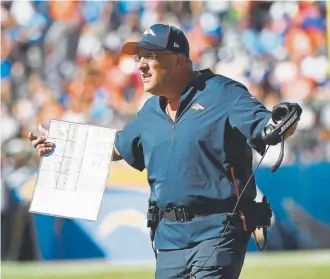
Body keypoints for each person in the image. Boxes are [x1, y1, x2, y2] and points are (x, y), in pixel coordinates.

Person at [28, 24, 299, 279]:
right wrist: (60, 146)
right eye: (139, 58)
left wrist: (283, 123)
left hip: (217, 230)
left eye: (151, 56)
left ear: (179, 59)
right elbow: (116, 148)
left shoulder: (222, 93)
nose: (142, 65)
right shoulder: (150, 111)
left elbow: (268, 126)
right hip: (168, 238)